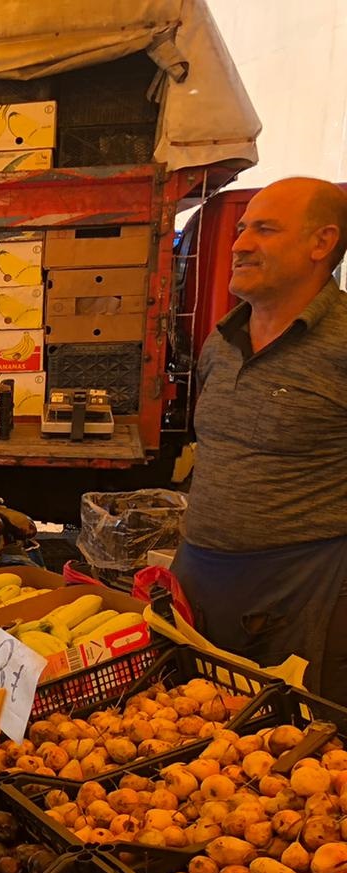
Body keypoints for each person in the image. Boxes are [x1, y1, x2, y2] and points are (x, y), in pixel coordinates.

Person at [176, 176, 347, 701]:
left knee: (287, 756)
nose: (240, 243)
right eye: (243, 228)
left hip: (303, 593)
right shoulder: (220, 341)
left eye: (265, 230)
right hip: (200, 583)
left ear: (322, 243)